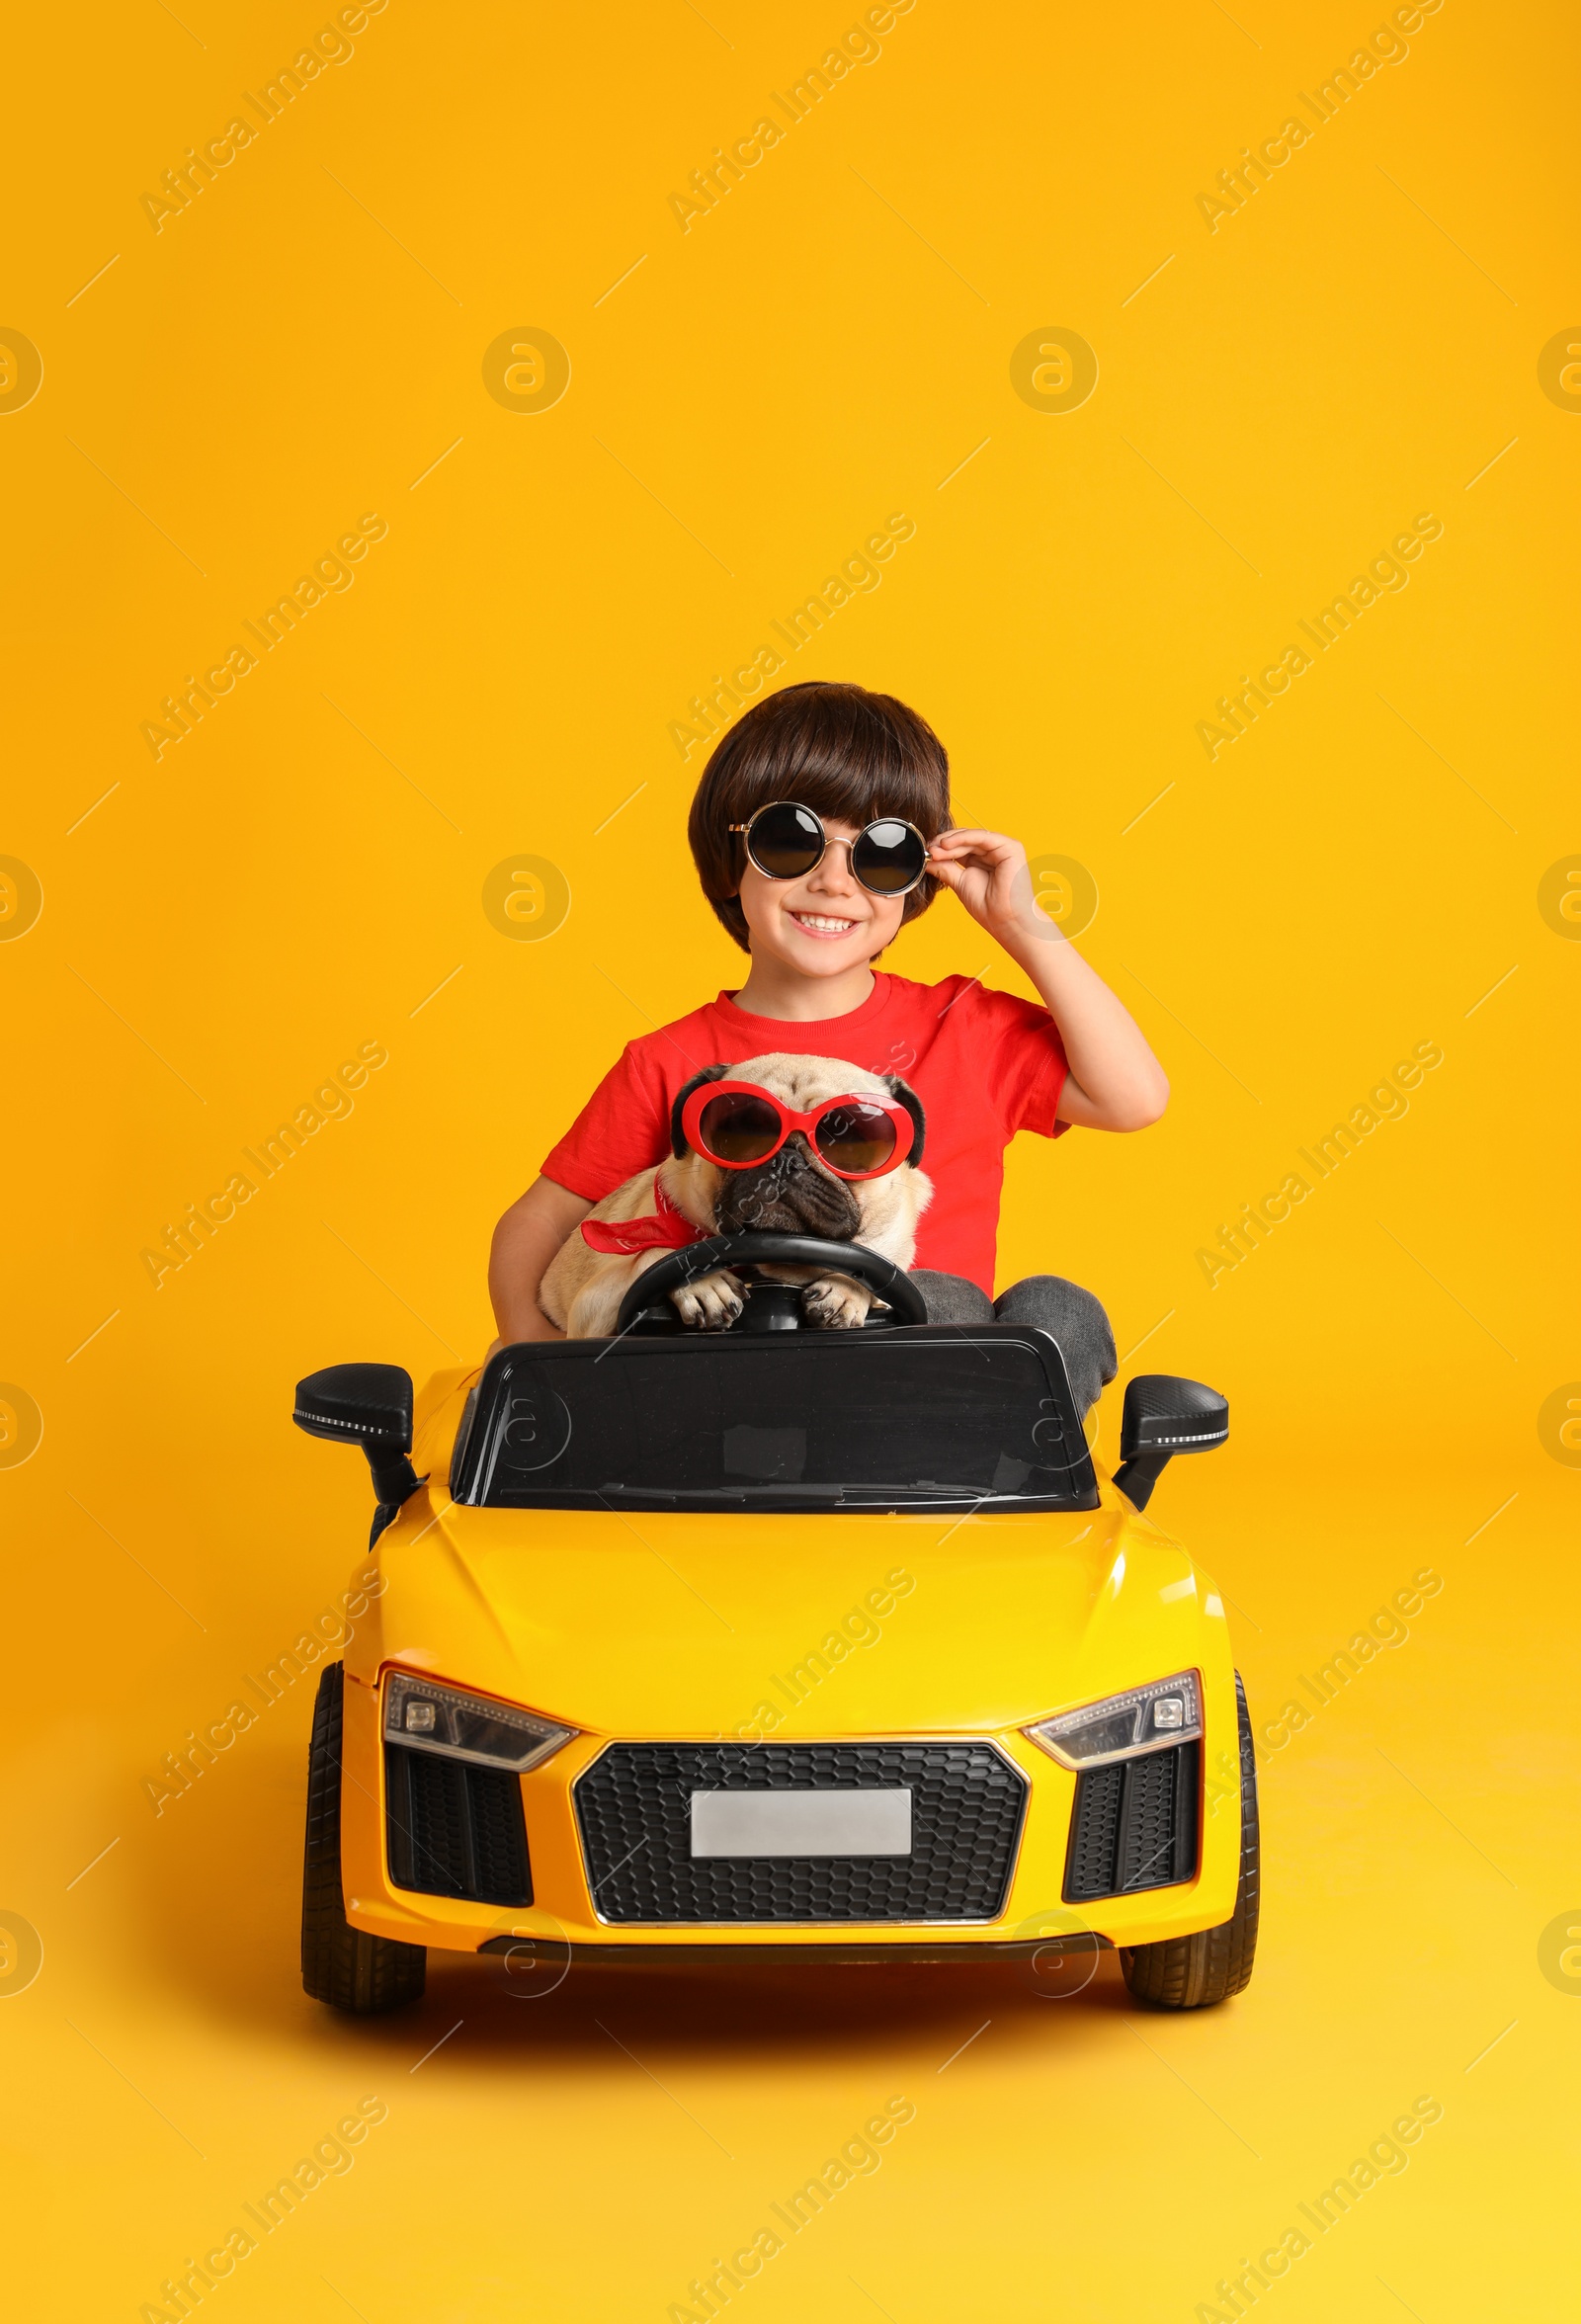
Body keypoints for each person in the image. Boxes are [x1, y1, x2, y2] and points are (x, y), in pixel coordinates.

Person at [488, 681, 1168, 1416]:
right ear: (732, 855)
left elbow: (1132, 1098)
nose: (833, 881)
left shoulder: (965, 1026)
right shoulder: (669, 1060)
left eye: (879, 854)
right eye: (792, 842)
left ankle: (981, 1483)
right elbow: (538, 1223)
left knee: (1039, 1310)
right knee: (943, 1302)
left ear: (916, 880)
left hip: (944, 1397)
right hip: (734, 1393)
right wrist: (535, 1365)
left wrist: (1021, 922)